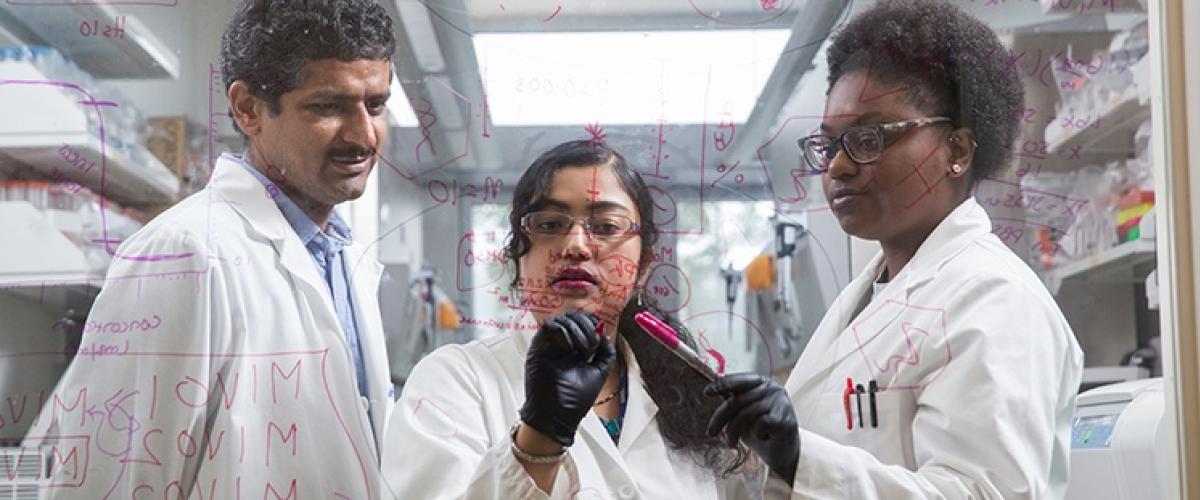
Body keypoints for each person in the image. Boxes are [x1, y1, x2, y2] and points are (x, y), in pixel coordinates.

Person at [704, 1, 1084, 499]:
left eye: (868, 138)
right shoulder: (875, 292)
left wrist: (802, 457)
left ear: (957, 151)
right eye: (829, 143)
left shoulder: (995, 300)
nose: (837, 166)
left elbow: (986, 493)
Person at [23, 1, 398, 498]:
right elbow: (113, 482)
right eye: (328, 107)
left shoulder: (341, 259)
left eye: (375, 105)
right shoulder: (181, 255)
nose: (363, 134)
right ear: (247, 109)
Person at [383, 140, 755, 499]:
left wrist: (787, 455)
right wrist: (538, 438)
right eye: (548, 225)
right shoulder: (455, 381)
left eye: (607, 226)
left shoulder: (691, 391)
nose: (576, 245)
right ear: (517, 257)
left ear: (642, 266)